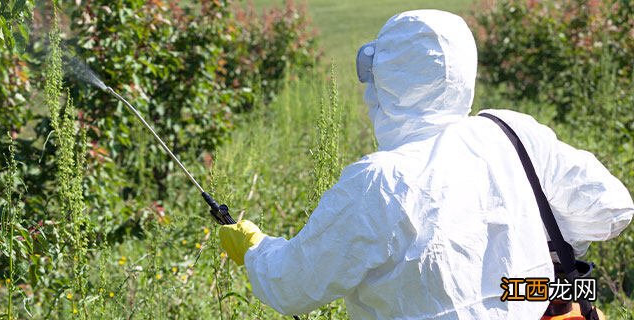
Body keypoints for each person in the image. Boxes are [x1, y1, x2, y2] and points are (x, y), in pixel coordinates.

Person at [218, 9, 634, 320]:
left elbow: (292, 286)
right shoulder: (511, 131)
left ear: (388, 79)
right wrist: (527, 272)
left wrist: (255, 249)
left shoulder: (381, 181)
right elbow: (612, 208)